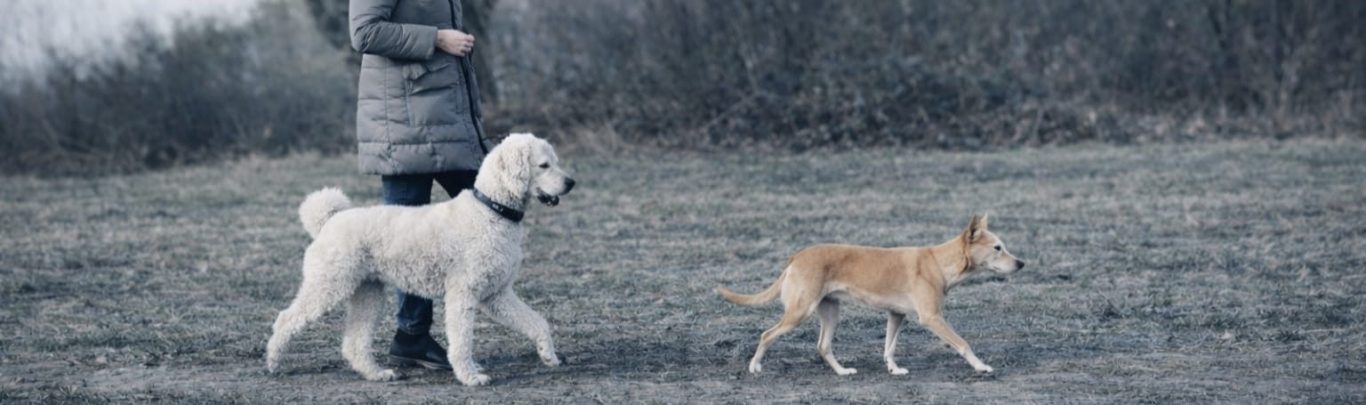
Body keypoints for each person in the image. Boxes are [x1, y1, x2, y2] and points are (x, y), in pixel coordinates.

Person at [348, 0, 491, 370]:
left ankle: (415, 335)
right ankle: (411, 335)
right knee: (408, 238)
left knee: (494, 210)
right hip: (405, 123)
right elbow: (363, 32)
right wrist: (438, 38)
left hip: (443, 119)